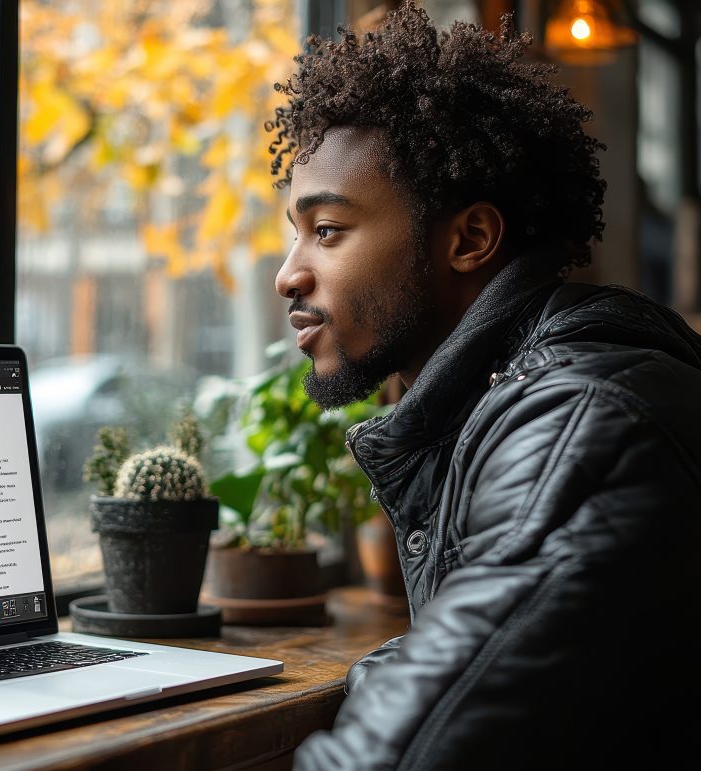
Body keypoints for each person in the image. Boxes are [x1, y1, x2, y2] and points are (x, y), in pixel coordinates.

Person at [266, 3, 700, 769]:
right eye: (293, 234)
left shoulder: (574, 424)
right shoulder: (522, 393)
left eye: (326, 230)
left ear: (469, 239)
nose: (288, 274)